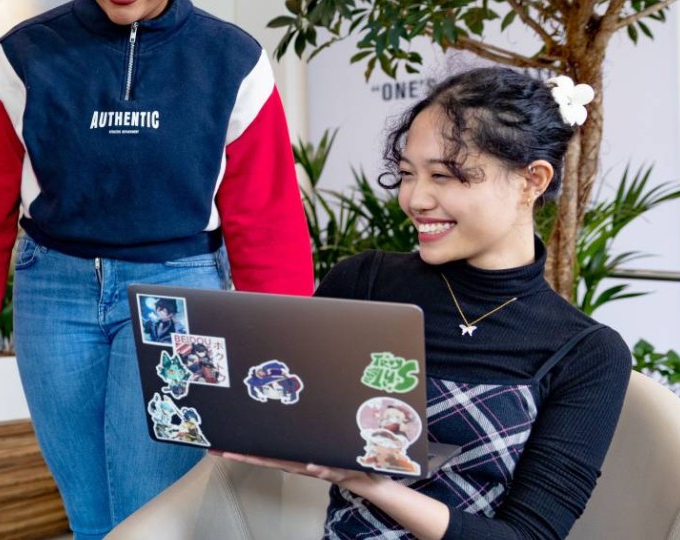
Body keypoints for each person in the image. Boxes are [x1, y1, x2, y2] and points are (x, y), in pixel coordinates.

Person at [0, 0, 314, 536]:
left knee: (156, 513)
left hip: (180, 292)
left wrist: (279, 357)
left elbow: (267, 220)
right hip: (54, 293)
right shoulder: (21, 57)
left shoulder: (233, 60)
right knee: (89, 517)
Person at [218, 67, 632, 540]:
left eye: (443, 176)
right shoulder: (363, 283)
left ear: (531, 180)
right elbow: (281, 405)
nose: (415, 199)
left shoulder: (586, 352)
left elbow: (529, 536)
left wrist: (370, 484)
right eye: (407, 174)